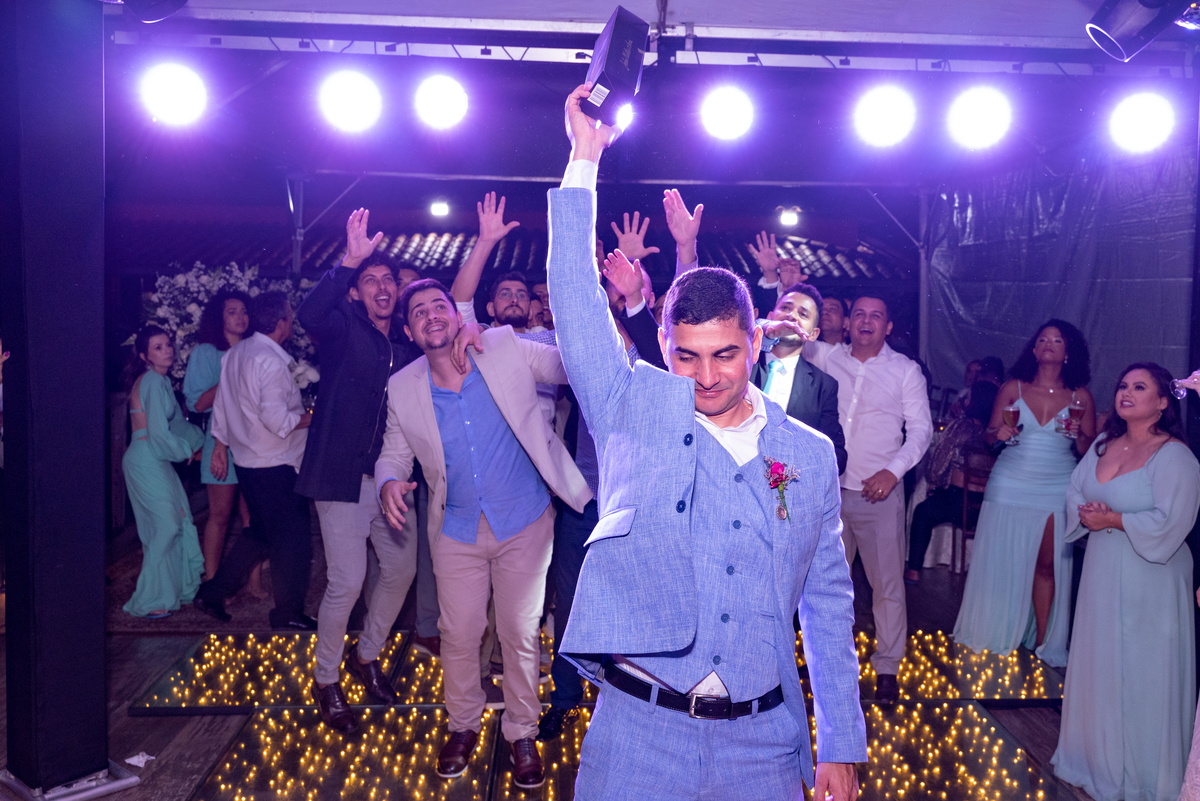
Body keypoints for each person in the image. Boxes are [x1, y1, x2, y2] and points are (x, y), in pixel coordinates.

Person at [551, 82, 865, 801]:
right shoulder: (630, 407)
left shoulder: (807, 453)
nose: (707, 376)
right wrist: (583, 158)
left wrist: (841, 738)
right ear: (663, 347)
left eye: (725, 354)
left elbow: (826, 600)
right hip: (639, 736)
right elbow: (572, 295)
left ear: (755, 342)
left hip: (763, 743)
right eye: (686, 356)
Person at [375, 278, 592, 790]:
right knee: (459, 633)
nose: (431, 315)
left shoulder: (502, 346)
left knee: (519, 633)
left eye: (439, 305)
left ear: (457, 315)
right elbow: (394, 452)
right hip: (456, 529)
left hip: (526, 522)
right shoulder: (402, 387)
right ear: (409, 331)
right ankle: (463, 725)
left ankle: (521, 730)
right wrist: (388, 481)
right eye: (419, 311)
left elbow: (570, 368)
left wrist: (595, 312)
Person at [294, 208, 424, 734]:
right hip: (340, 480)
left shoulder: (410, 347)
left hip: (392, 483)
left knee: (401, 572)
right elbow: (309, 313)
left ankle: (366, 655)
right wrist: (349, 260)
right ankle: (326, 680)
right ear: (355, 292)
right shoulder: (342, 328)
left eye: (388, 279)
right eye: (370, 280)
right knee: (346, 583)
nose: (382, 287)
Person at [1051, 363, 1199, 801]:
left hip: (1151, 577)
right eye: (1122, 386)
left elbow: (1173, 520)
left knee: (1143, 672)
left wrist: (1114, 518)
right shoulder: (1103, 444)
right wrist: (1087, 512)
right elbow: (1075, 488)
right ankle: (1092, 760)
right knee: (1100, 661)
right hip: (1101, 568)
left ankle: (1143, 775)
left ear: (1162, 402)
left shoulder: (1175, 456)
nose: (1126, 393)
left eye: (1139, 387)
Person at [802, 293, 932, 703]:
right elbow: (789, 335)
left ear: (888, 326)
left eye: (876, 316)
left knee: (886, 586)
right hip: (830, 493)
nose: (866, 321)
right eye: (859, 313)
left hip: (880, 494)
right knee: (824, 585)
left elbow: (921, 431)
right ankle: (825, 661)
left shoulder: (905, 370)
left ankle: (888, 667)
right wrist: (783, 283)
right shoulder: (827, 357)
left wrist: (893, 472)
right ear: (847, 322)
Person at [953, 320, 1095, 667]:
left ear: (1068, 352)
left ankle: (1044, 644)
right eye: (1042, 339)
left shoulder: (1081, 397)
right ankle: (994, 631)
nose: (1048, 344)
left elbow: (1088, 449)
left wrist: (1079, 434)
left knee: (1047, 565)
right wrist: (998, 434)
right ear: (1033, 349)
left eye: (1057, 340)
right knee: (1001, 560)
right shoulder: (1012, 388)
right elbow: (988, 436)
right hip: (1009, 482)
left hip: (1056, 484)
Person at [195, 292, 315, 629]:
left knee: (260, 533)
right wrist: (314, 417)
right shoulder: (271, 361)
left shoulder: (237, 353)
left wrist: (221, 444)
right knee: (293, 541)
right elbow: (279, 421)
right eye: (289, 315)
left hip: (248, 461)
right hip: (276, 463)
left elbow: (222, 406)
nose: (291, 321)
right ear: (280, 323)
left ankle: (212, 593)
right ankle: (287, 614)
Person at [120, 325, 205, 618]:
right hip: (146, 456)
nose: (167, 350)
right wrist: (185, 450)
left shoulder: (161, 381)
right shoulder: (153, 381)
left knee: (175, 520)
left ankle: (168, 593)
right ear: (145, 356)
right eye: (158, 347)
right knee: (167, 525)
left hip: (154, 456)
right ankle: (147, 598)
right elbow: (158, 433)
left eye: (168, 344)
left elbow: (174, 425)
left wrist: (197, 441)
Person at [182, 290, 254, 582]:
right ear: (219, 317)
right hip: (220, 440)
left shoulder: (254, 349)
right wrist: (229, 375)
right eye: (232, 312)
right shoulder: (206, 352)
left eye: (244, 311)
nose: (240, 317)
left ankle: (253, 581)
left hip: (254, 441)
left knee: (253, 516)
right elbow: (197, 404)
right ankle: (212, 583)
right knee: (220, 515)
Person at [905, 381, 999, 583]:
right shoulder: (999, 434)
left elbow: (940, 459)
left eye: (968, 397)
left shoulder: (963, 426)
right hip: (987, 506)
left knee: (922, 512)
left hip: (958, 501)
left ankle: (913, 570)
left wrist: (935, 484)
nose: (964, 400)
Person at [751, 282, 847, 474]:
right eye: (785, 308)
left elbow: (837, 456)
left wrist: (791, 469)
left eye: (803, 314)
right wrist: (766, 332)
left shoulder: (823, 386)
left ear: (813, 334)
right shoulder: (744, 361)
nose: (791, 316)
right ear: (769, 318)